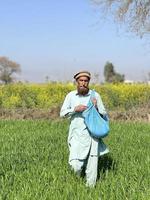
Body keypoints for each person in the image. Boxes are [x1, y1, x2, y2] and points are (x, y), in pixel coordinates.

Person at [60, 70, 109, 187]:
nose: (83, 83)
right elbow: (62, 113)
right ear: (76, 82)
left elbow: (104, 114)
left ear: (88, 82)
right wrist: (74, 109)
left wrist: (96, 107)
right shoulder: (70, 96)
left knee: (92, 165)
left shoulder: (95, 96)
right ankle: (77, 180)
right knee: (75, 165)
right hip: (76, 135)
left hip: (92, 135)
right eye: (81, 81)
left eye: (86, 81)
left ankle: (90, 190)